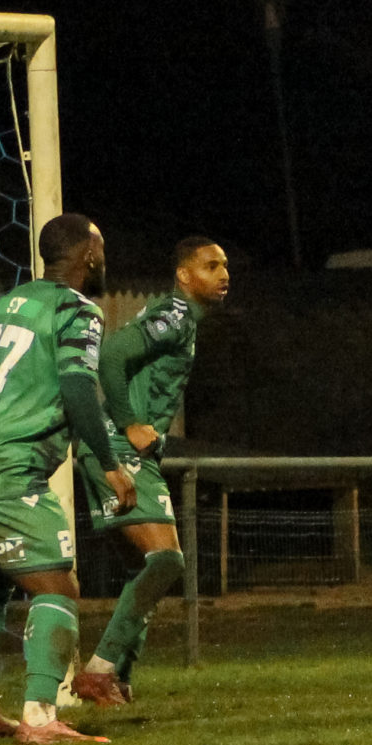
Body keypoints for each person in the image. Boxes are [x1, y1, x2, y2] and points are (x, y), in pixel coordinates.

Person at [0, 212, 134, 745]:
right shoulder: (76, 309)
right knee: (58, 587)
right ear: (89, 254)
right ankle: (40, 717)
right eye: (101, 246)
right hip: (4, 467)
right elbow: (78, 387)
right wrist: (110, 463)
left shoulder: (6, 305)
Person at [66, 235, 230, 707]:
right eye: (211, 266)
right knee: (166, 561)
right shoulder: (175, 315)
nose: (224, 274)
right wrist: (130, 423)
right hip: (120, 447)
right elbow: (112, 355)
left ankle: (118, 678)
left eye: (225, 266)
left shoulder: (184, 321)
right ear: (184, 275)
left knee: (147, 570)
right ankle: (99, 671)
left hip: (119, 450)